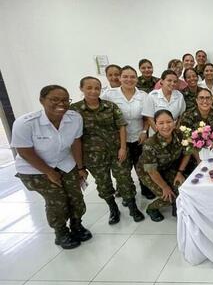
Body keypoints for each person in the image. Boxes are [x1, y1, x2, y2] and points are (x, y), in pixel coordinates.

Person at [12, 85, 91, 249]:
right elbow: (25, 151)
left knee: (76, 196)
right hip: (35, 169)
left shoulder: (74, 118)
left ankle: (77, 225)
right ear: (42, 100)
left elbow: (76, 142)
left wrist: (80, 167)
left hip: (65, 162)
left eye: (64, 100)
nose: (60, 103)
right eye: (54, 99)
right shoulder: (26, 123)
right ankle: (61, 232)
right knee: (58, 200)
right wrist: (48, 172)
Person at [71, 77, 136, 225]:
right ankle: (113, 209)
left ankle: (132, 206)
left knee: (125, 179)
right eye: (89, 88)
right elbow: (74, 139)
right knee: (103, 184)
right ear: (81, 89)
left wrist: (123, 147)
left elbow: (121, 126)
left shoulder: (110, 106)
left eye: (97, 88)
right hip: (94, 157)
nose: (93, 91)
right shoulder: (74, 111)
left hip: (116, 152)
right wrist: (80, 165)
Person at [102, 66, 154, 203]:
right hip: (119, 139)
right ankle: (126, 192)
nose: (129, 80)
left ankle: (146, 188)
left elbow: (147, 117)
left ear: (137, 79)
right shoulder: (109, 95)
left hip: (139, 136)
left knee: (142, 165)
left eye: (132, 77)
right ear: (120, 78)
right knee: (123, 167)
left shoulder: (143, 95)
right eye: (125, 76)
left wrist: (144, 131)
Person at [136, 110, 191, 222]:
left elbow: (188, 152)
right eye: (161, 123)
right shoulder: (150, 144)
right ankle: (151, 208)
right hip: (149, 172)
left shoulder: (180, 134)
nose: (166, 126)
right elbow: (151, 171)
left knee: (183, 188)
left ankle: (177, 205)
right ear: (155, 125)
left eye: (169, 122)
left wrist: (180, 172)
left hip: (167, 167)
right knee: (168, 196)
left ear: (174, 122)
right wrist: (165, 187)